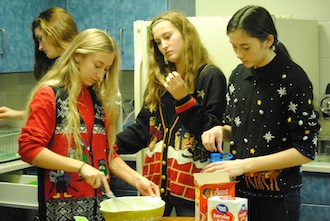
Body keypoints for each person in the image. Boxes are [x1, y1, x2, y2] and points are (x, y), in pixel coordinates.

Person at [18, 28, 160, 221]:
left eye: (106, 69)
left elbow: (108, 155)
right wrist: (80, 167)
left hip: (98, 210)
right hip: (60, 213)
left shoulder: (97, 101)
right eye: (97, 65)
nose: (101, 74)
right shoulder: (49, 96)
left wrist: (138, 181)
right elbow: (28, 149)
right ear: (78, 56)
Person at [201, 5, 320, 221]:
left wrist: (243, 164)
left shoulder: (294, 79)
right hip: (238, 194)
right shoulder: (238, 75)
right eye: (234, 46)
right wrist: (220, 130)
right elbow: (236, 129)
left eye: (245, 47)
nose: (238, 54)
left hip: (278, 198)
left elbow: (305, 150)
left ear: (268, 40)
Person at [115, 10, 227, 216]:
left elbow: (212, 131)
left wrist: (184, 98)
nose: (163, 46)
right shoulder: (160, 81)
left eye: (168, 37)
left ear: (186, 35)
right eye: (158, 42)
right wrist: (109, 145)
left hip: (194, 187)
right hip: (156, 187)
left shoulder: (210, 76)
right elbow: (144, 129)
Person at [0, 7, 78, 122]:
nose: (40, 47)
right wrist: (18, 114)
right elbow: (54, 113)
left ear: (55, 33)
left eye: (40, 39)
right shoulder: (59, 71)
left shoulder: (81, 70)